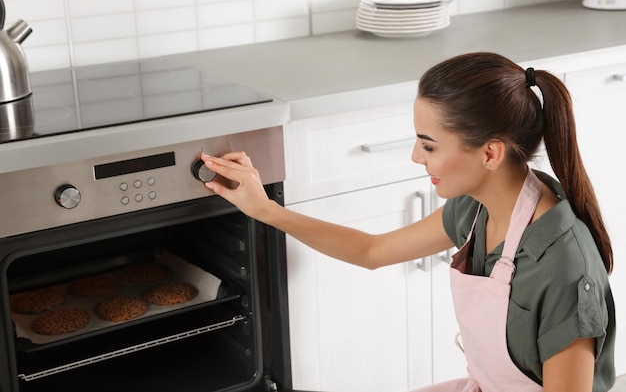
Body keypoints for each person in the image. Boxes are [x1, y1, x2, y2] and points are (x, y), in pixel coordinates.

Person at [200, 52, 616, 392]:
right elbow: (372, 251)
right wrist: (265, 209)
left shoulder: (563, 269)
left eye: (429, 145)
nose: (416, 157)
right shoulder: (476, 207)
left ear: (490, 154)